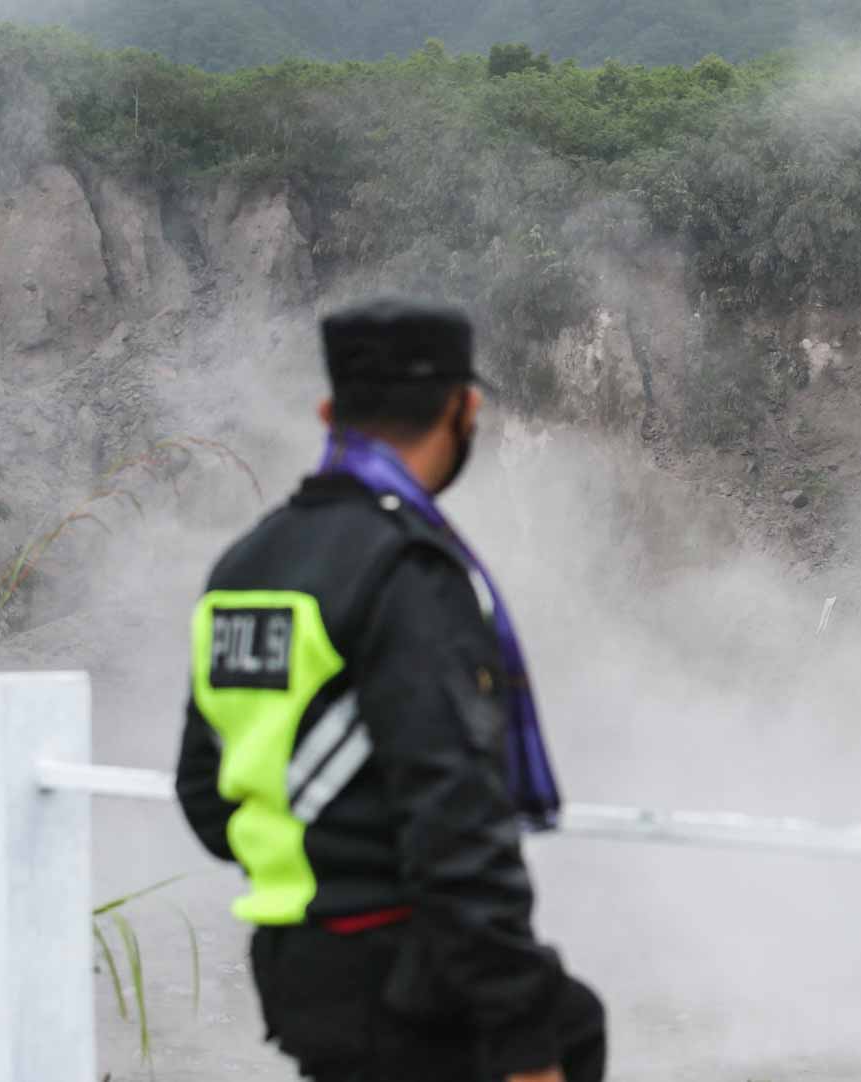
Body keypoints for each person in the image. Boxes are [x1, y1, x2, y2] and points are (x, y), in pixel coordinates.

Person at [175, 298, 606, 1082]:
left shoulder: (246, 565)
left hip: (297, 965)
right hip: (409, 984)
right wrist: (523, 1036)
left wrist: (315, 872)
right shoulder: (406, 572)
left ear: (329, 411)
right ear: (463, 409)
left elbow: (204, 792)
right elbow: (456, 818)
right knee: (572, 1026)